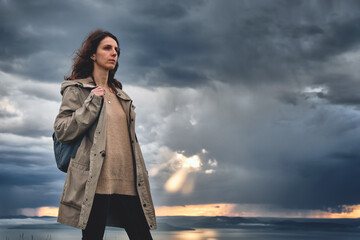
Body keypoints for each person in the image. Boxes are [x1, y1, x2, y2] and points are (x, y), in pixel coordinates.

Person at [53, 29, 156, 240]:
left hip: (128, 182)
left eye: (117, 50)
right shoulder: (78, 90)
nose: (114, 53)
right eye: (107, 48)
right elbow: (62, 130)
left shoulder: (121, 96)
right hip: (95, 182)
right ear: (93, 54)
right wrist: (91, 103)